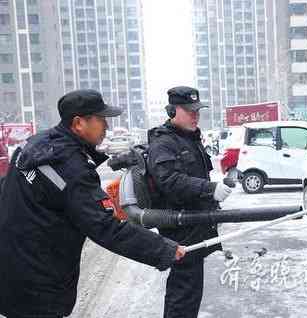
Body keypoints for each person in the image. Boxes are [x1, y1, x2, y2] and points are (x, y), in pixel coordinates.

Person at [0, 89, 186, 318]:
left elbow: (13, 187)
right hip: (40, 282)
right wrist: (162, 249)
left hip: (12, 268)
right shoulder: (71, 167)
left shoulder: (34, 145)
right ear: (78, 123)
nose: (106, 126)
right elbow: (104, 226)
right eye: (101, 119)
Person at [147, 86, 233, 318]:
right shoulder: (163, 143)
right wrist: (210, 189)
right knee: (183, 293)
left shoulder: (189, 138)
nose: (195, 115)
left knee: (189, 292)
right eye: (189, 111)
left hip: (195, 225)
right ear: (172, 111)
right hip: (181, 229)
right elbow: (170, 181)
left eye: (197, 110)